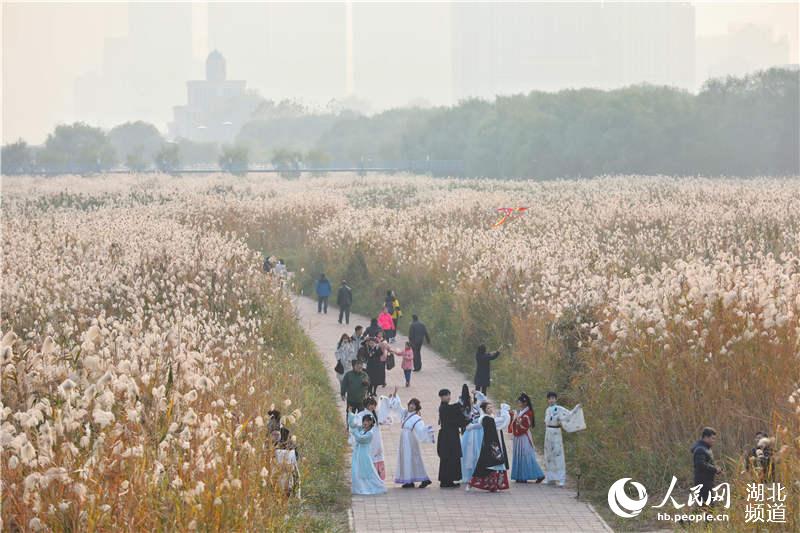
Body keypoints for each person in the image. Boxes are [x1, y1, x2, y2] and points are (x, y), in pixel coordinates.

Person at [388, 394, 434, 488]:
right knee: (406, 458)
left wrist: (427, 430)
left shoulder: (417, 418)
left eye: (414, 405)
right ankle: (409, 480)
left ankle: (424, 479)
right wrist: (394, 396)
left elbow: (420, 429)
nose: (411, 406)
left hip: (410, 440)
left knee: (413, 458)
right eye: (411, 404)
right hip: (404, 439)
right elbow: (397, 407)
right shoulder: (405, 413)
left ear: (417, 408)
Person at [543, 391, 581, 487]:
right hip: (548, 433)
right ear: (547, 400)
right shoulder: (547, 410)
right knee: (549, 456)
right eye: (549, 398)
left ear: (556, 399)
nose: (551, 400)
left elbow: (568, 414)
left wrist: (576, 408)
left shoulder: (559, 409)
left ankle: (561, 479)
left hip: (556, 432)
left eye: (553, 398)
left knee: (558, 454)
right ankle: (550, 478)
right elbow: (546, 421)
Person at [508, 392, 545, 483]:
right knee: (519, 455)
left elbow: (525, 425)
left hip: (524, 436)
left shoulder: (528, 413)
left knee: (526, 455)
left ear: (525, 403)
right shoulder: (521, 412)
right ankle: (520, 476)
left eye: (519, 402)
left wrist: (518, 422)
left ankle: (538, 475)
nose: (518, 403)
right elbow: (516, 422)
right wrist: (512, 416)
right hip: (518, 436)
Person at [467, 416, 509, 492]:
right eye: (488, 408)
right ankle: (473, 484)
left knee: (496, 465)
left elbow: (504, 421)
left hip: (494, 443)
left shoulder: (492, 419)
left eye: (490, 408)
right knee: (486, 465)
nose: (490, 409)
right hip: (489, 444)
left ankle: (493, 485)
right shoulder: (484, 418)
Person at [348, 412, 387, 495]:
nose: (365, 423)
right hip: (358, 453)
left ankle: (374, 486)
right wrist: (350, 414)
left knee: (366, 470)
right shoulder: (362, 430)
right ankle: (360, 486)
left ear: (371, 423)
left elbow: (360, 439)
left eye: (368, 421)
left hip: (364, 454)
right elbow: (352, 425)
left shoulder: (370, 433)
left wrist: (354, 432)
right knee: (357, 469)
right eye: (364, 421)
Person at [348, 397, 387, 480]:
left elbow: (384, 414)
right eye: (370, 405)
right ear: (366, 405)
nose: (372, 406)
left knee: (377, 453)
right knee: (370, 454)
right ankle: (369, 476)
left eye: (373, 404)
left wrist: (385, 399)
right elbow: (355, 422)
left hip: (377, 438)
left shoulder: (376, 413)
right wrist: (350, 414)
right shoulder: (362, 414)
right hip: (369, 438)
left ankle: (378, 476)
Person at [437, 389, 466, 487]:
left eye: (448, 395)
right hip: (448, 436)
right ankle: (446, 481)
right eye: (445, 396)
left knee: (451, 457)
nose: (448, 397)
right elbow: (453, 410)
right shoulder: (444, 408)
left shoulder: (446, 407)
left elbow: (453, 410)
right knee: (448, 457)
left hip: (450, 435)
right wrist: (460, 404)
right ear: (441, 397)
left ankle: (448, 480)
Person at [692, 427, 721, 504]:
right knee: (706, 506)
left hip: (707, 482)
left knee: (706, 506)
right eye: (712, 438)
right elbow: (700, 464)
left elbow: (707, 463)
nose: (714, 441)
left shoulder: (706, 448)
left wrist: (716, 468)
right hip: (703, 483)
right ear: (705, 437)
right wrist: (715, 469)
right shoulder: (700, 449)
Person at [460, 386, 483, 484]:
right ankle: (468, 475)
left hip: (479, 433)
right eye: (468, 399)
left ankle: (479, 475)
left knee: (479, 453)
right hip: (469, 433)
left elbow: (483, 401)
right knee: (468, 453)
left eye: (471, 398)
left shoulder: (477, 407)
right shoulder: (465, 410)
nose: (471, 400)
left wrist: (478, 393)